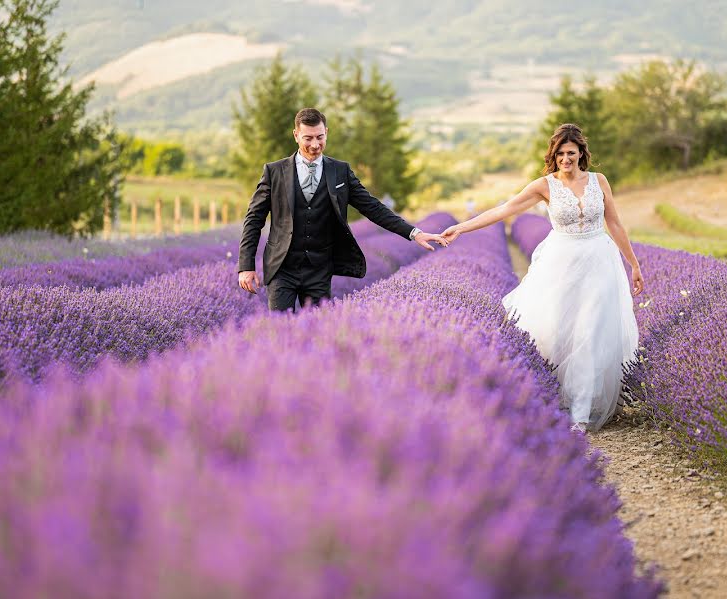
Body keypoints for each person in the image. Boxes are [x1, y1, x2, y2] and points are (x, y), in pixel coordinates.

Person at [441, 123, 643, 433]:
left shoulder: (599, 181)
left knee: (590, 328)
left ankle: (580, 411)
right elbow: (504, 210)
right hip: (562, 263)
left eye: (571, 153)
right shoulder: (544, 186)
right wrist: (462, 228)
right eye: (561, 154)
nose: (566, 159)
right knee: (561, 330)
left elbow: (614, 224)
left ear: (581, 154)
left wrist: (634, 264)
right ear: (554, 155)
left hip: (600, 262)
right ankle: (556, 398)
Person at [237, 108, 447, 311]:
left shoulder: (340, 171)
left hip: (319, 270)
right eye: (308, 138)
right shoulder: (274, 171)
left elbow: (373, 208)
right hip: (282, 267)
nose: (315, 144)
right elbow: (254, 219)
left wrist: (414, 233)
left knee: (317, 332)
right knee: (280, 332)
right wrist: (246, 266)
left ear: (326, 132)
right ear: (296, 135)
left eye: (320, 137)